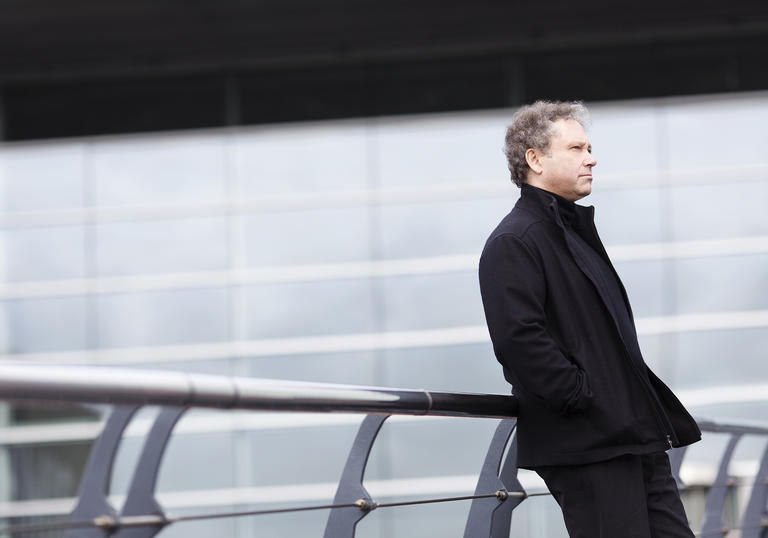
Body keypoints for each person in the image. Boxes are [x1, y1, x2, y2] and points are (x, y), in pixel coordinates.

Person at [478, 100, 701, 537]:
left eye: (589, 147)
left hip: (632, 436)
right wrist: (582, 398)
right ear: (535, 160)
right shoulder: (514, 241)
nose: (591, 158)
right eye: (577, 148)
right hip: (589, 444)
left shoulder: (570, 233)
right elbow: (519, 341)